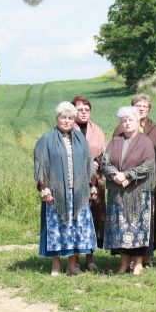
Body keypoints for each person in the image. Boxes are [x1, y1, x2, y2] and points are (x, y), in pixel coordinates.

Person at [34, 102, 98, 276]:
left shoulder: (81, 140)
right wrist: (44, 188)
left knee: (75, 229)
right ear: (57, 118)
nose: (67, 121)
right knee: (57, 228)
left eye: (70, 118)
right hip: (56, 193)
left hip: (78, 193)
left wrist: (92, 186)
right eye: (63, 117)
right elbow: (41, 166)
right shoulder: (46, 140)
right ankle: (56, 264)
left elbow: (88, 164)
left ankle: (72, 264)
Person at [101, 107, 156, 275]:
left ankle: (138, 263)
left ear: (138, 121)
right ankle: (124, 264)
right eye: (124, 120)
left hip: (138, 192)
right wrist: (116, 176)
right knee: (120, 228)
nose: (127, 123)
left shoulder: (145, 142)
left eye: (130, 120)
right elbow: (105, 162)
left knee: (138, 228)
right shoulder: (115, 141)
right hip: (118, 192)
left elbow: (148, 165)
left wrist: (128, 175)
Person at [112, 94, 156, 265]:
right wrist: (121, 176)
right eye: (137, 105)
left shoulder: (155, 128)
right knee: (125, 220)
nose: (141, 108)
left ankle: (144, 257)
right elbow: (113, 153)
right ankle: (127, 257)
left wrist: (133, 174)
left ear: (149, 109)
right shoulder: (121, 128)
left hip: (145, 179)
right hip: (123, 182)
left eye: (144, 106)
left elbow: (153, 153)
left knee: (144, 219)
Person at [72, 96, 106, 272]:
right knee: (76, 219)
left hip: (95, 182)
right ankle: (75, 259)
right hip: (74, 181)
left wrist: (97, 163)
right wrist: (86, 164)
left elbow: (103, 152)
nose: (84, 113)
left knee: (92, 219)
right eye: (80, 110)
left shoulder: (97, 130)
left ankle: (90, 258)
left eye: (87, 110)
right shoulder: (68, 130)